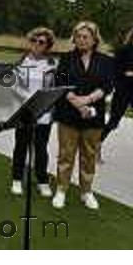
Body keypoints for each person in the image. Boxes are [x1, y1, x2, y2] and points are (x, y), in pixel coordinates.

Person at [52, 21, 114, 210]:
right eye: (78, 36)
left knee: (89, 155)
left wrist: (86, 100)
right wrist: (77, 103)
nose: (81, 40)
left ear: (95, 39)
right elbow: (60, 83)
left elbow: (107, 86)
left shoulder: (105, 61)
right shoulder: (66, 58)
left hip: (93, 116)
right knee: (66, 154)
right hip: (68, 114)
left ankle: (86, 191)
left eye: (85, 36)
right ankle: (61, 189)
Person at [101, 18, 133, 177]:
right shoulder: (123, 50)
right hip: (123, 93)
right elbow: (114, 73)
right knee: (113, 123)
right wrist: (129, 73)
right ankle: (95, 145)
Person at [10, 27, 57, 198]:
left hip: (43, 112)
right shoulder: (22, 61)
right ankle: (16, 179)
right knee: (21, 145)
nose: (37, 44)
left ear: (47, 45)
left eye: (41, 42)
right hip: (24, 110)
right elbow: (14, 86)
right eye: (34, 41)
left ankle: (42, 181)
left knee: (41, 147)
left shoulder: (52, 65)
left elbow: (53, 88)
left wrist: (42, 103)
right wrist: (28, 100)